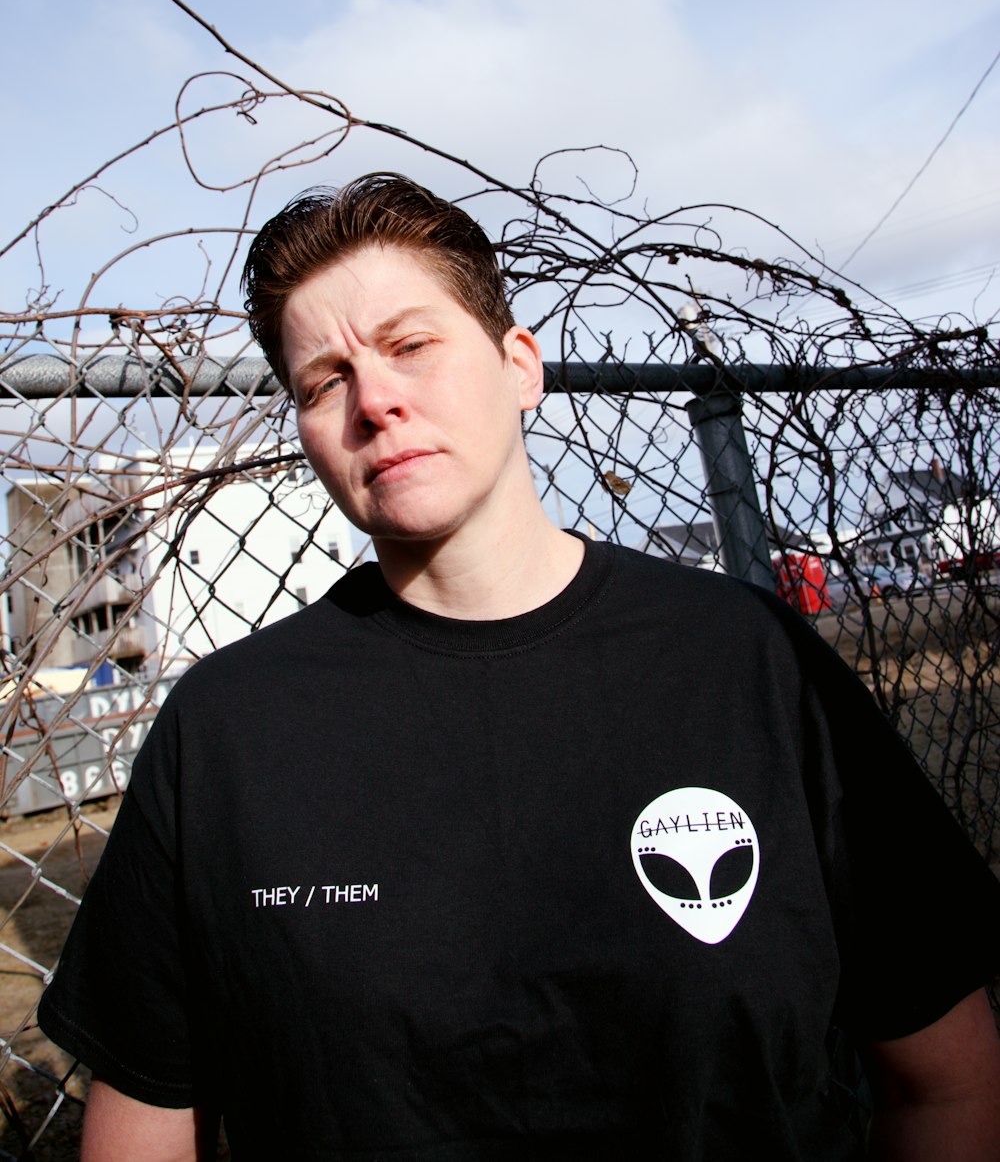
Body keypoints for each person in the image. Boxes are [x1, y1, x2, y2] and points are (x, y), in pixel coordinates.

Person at [40, 173, 1000, 1161]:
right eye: (323, 381)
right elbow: (145, 1123)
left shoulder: (748, 663)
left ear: (518, 366)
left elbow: (944, 1085)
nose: (375, 399)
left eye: (412, 345)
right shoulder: (229, 731)